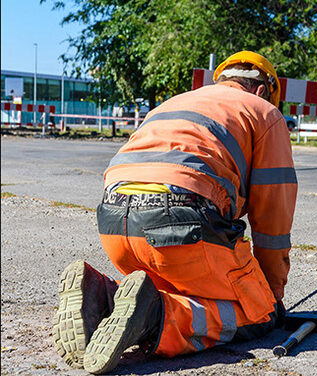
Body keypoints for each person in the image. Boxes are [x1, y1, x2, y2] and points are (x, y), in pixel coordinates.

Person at [52, 51, 298, 374]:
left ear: (221, 80)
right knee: (260, 312)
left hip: (114, 220)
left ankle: (101, 294)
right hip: (182, 225)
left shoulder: (175, 102)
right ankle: (155, 319)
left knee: (173, 283)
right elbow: (272, 221)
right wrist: (271, 295)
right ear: (264, 91)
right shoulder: (264, 112)